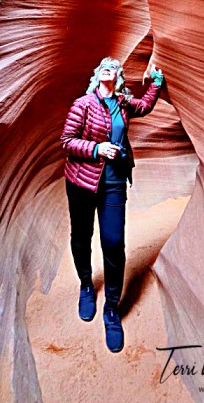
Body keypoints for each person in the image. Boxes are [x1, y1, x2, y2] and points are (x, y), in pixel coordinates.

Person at [60, 56, 164, 353]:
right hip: (81, 182)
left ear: (118, 77)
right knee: (81, 238)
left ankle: (112, 309)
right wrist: (95, 148)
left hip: (114, 182)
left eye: (114, 68)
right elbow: (66, 140)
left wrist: (156, 82)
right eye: (104, 66)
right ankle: (85, 286)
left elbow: (144, 105)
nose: (109, 68)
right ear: (98, 75)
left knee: (114, 243)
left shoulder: (123, 103)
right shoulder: (83, 104)